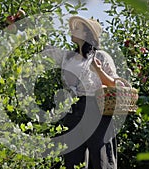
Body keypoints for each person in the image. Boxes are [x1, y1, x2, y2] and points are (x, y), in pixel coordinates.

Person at [57, 15, 122, 169]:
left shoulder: (101, 56)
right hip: (73, 110)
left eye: (77, 28)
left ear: (86, 34)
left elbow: (115, 84)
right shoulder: (69, 59)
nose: (72, 31)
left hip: (96, 108)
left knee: (102, 158)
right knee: (73, 159)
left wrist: (98, 70)